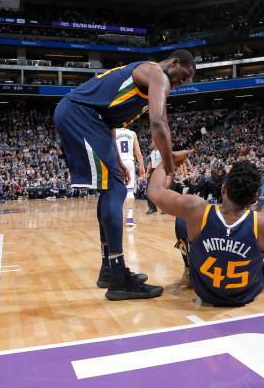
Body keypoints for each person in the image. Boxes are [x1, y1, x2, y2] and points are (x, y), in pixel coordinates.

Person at [54, 50, 196, 301]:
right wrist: (169, 165)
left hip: (90, 118)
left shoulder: (145, 78)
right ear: (174, 63)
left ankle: (109, 270)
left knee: (112, 187)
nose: (181, 82)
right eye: (183, 75)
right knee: (116, 190)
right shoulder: (156, 74)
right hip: (81, 115)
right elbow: (158, 123)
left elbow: (109, 120)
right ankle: (118, 278)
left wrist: (117, 159)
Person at [147, 146, 264, 306]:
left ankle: (188, 270)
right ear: (255, 197)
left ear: (223, 189)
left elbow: (154, 191)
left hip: (204, 292)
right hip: (246, 293)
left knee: (181, 220)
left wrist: (166, 162)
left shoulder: (196, 209)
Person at [114, 127, 145, 227]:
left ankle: (115, 218)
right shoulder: (132, 133)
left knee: (116, 191)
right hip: (129, 162)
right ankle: (130, 218)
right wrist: (142, 166)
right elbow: (138, 153)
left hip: (118, 162)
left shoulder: (114, 131)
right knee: (130, 191)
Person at [145, 141, 162, 214]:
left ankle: (164, 208)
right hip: (153, 171)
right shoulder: (152, 153)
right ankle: (152, 208)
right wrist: (146, 173)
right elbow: (150, 164)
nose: (151, 144)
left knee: (161, 190)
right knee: (148, 189)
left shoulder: (162, 151)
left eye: (152, 142)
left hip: (160, 170)